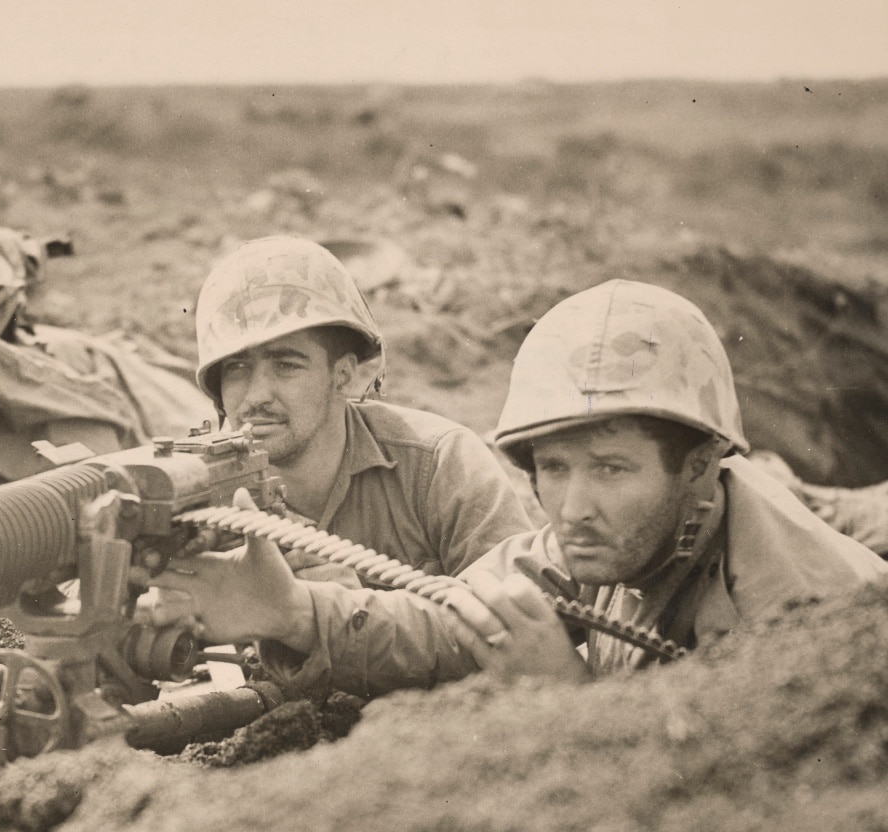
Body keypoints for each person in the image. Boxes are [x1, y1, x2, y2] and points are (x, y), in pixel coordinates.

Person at [163, 278, 885, 694]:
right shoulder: (602, 539)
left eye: (611, 468)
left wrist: (569, 696)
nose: (572, 508)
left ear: (699, 463)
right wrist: (294, 612)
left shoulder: (800, 610)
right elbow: (451, 619)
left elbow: (767, 806)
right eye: (553, 468)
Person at [147, 235, 532, 695]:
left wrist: (334, 614)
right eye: (236, 369)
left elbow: (521, 637)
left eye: (287, 365)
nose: (256, 396)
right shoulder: (189, 490)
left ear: (343, 375)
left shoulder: (440, 465)